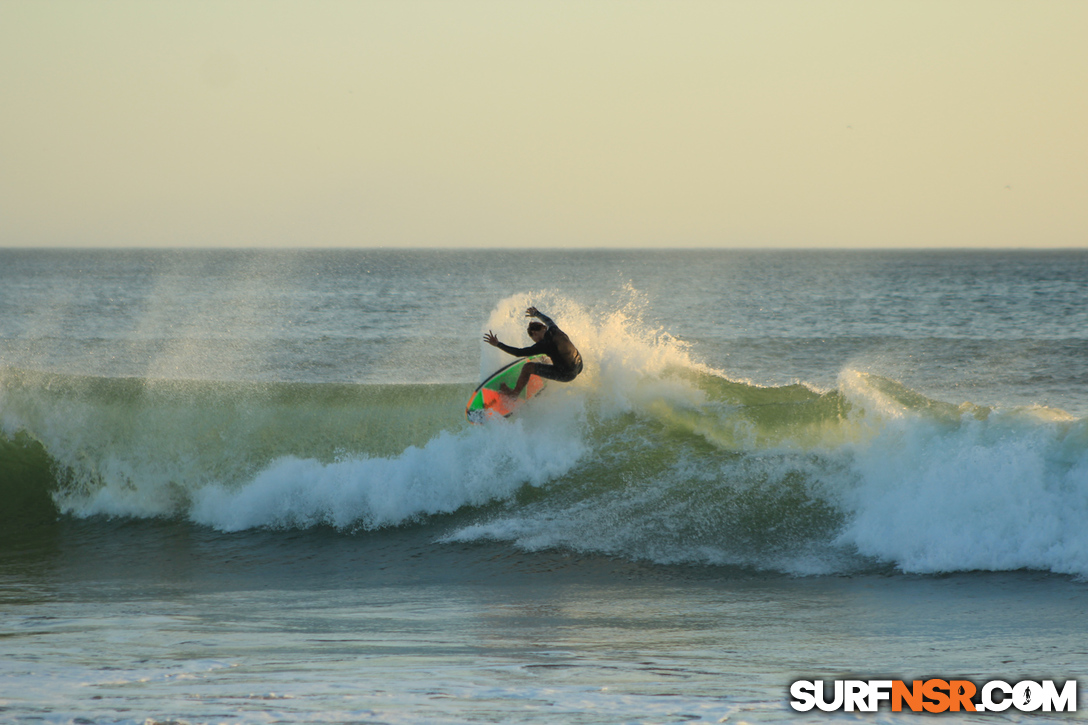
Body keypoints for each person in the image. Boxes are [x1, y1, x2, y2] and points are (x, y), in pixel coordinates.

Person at [483, 307, 583, 397]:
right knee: (547, 356)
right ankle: (545, 379)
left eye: (533, 338)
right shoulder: (554, 329)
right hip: (579, 365)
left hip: (567, 374)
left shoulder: (544, 344)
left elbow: (518, 352)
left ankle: (514, 394)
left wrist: (498, 344)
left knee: (527, 367)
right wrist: (536, 313)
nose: (535, 341)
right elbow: (548, 320)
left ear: (534, 333)